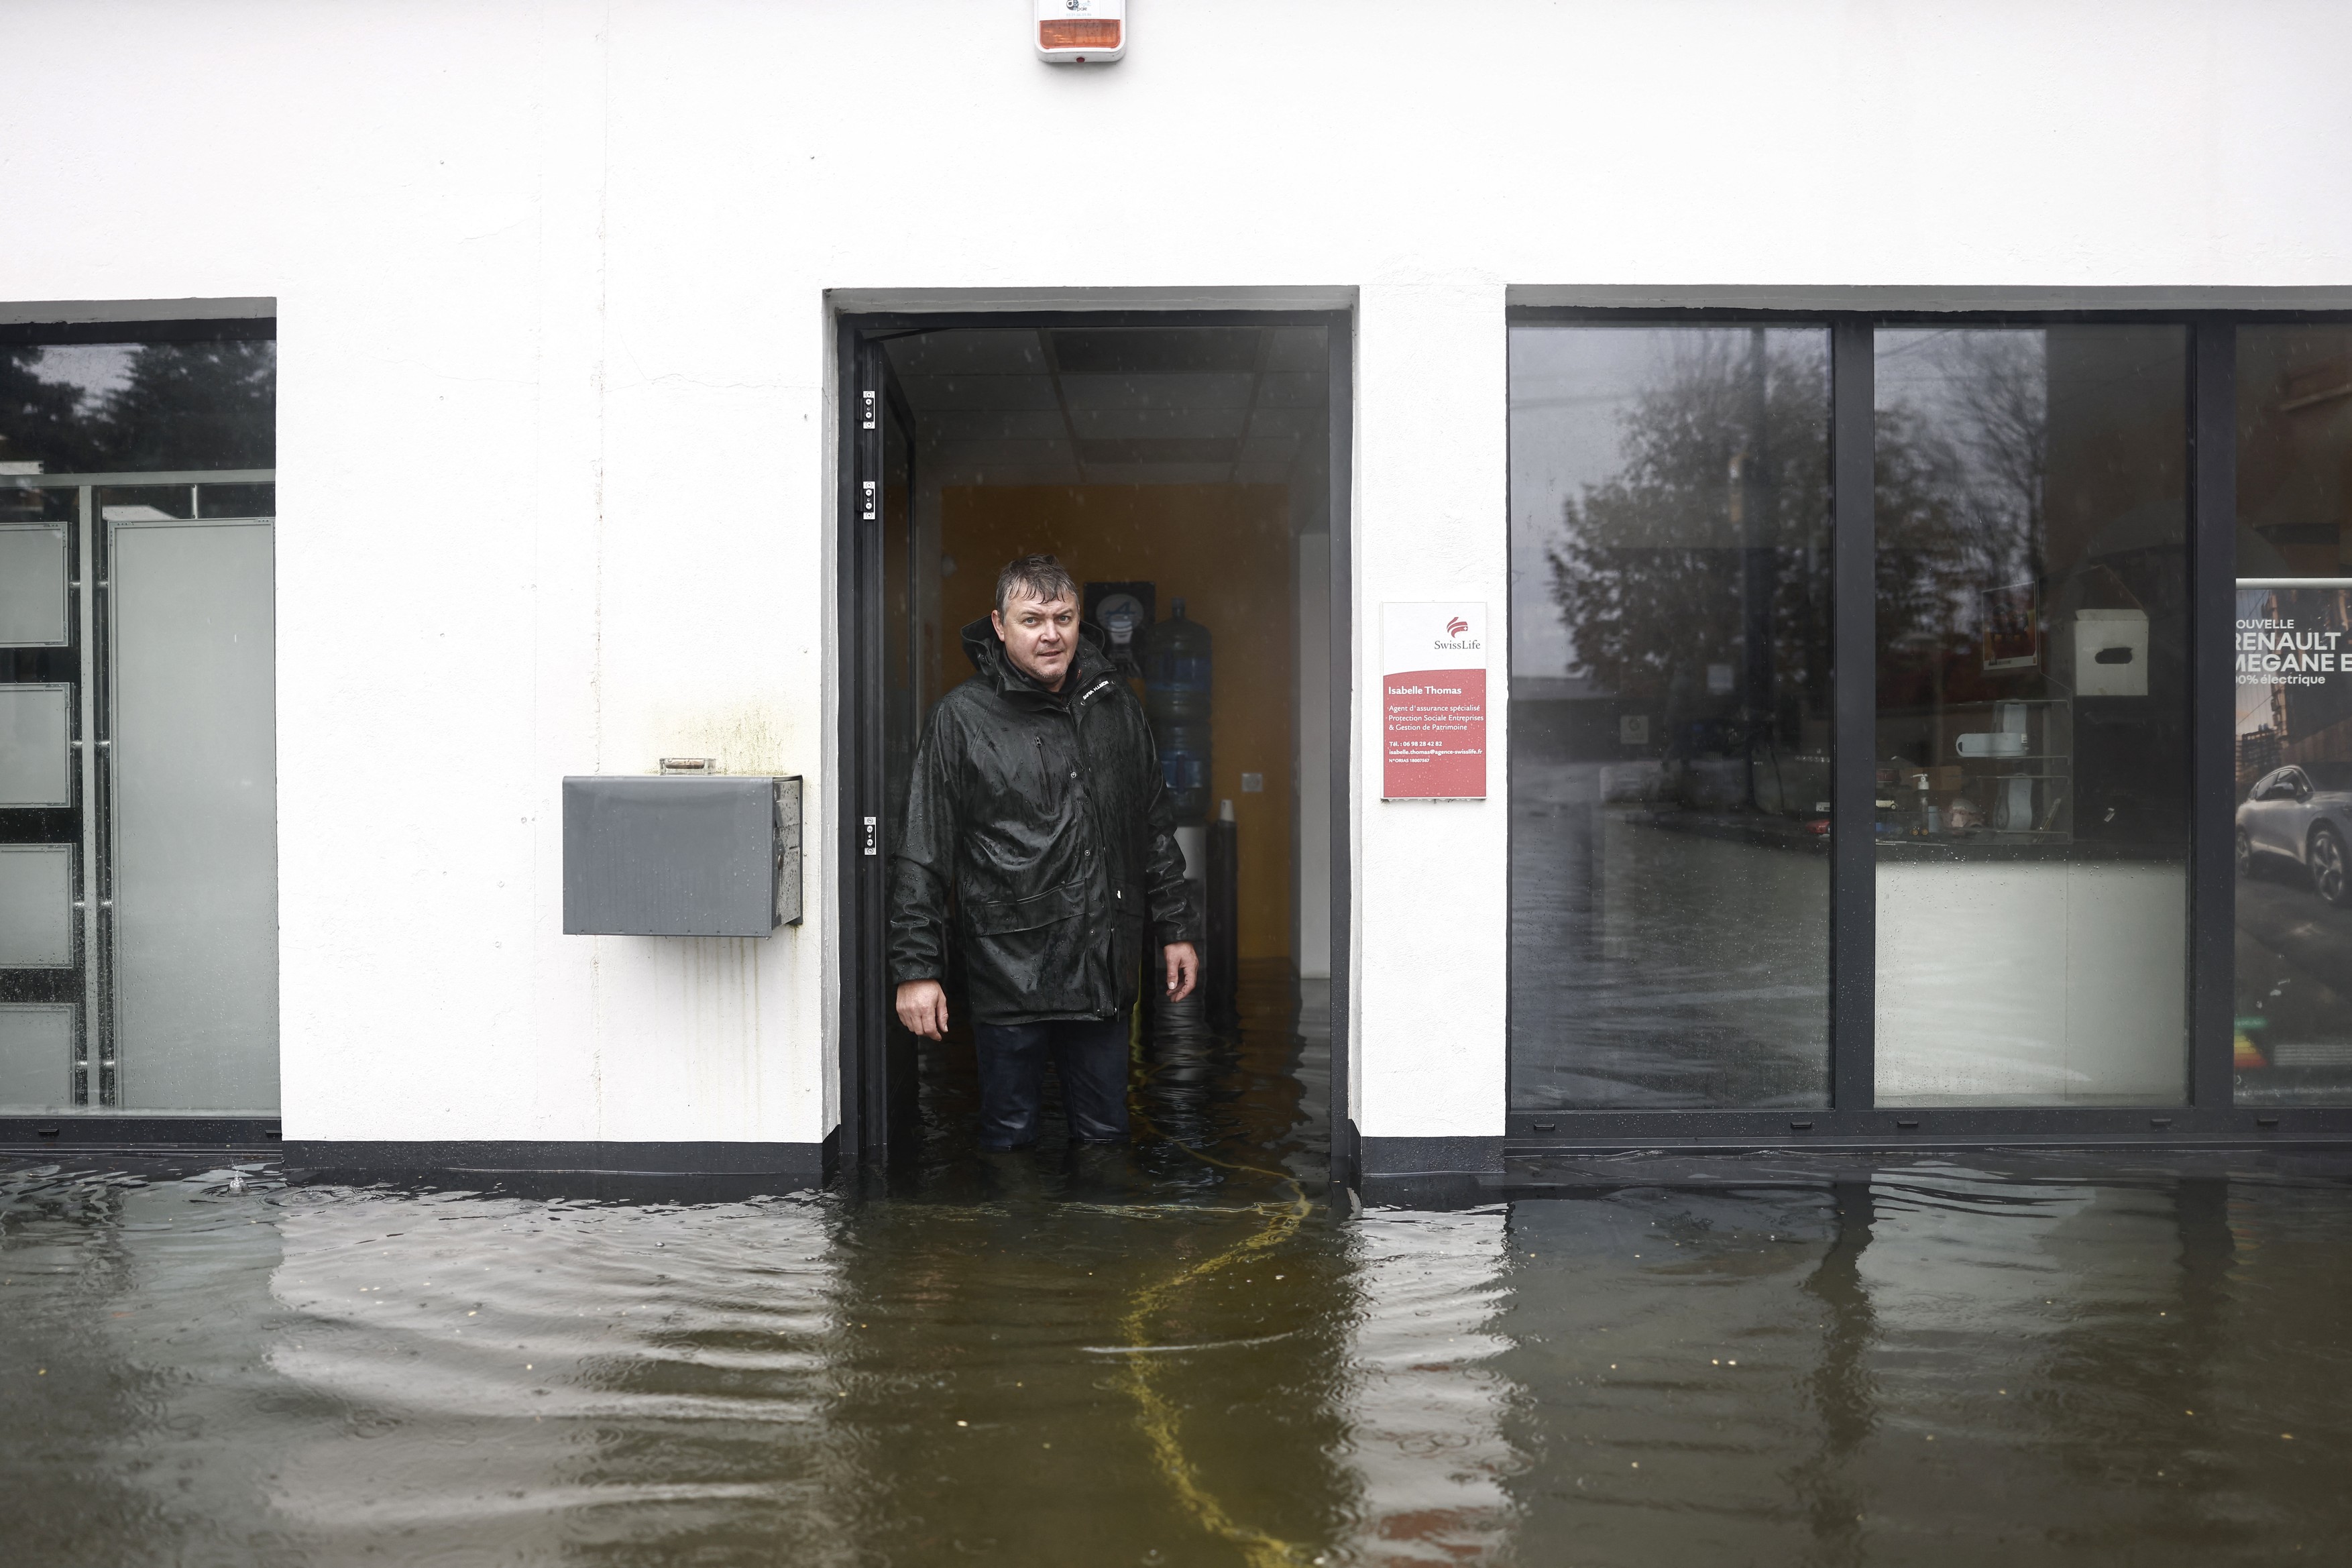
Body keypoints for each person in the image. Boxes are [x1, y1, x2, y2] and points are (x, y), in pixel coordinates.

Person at [888, 555, 1200, 1151]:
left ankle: (1099, 1241)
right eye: (1032, 619)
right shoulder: (960, 719)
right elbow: (923, 850)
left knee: (1108, 1135)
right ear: (999, 626)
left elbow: (1152, 827)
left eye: (1064, 617)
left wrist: (1176, 929)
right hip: (1009, 969)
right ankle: (1017, 1242)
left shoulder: (1116, 706)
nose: (1051, 634)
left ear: (1081, 621)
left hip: (1101, 965)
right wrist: (917, 970)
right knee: (1009, 1137)